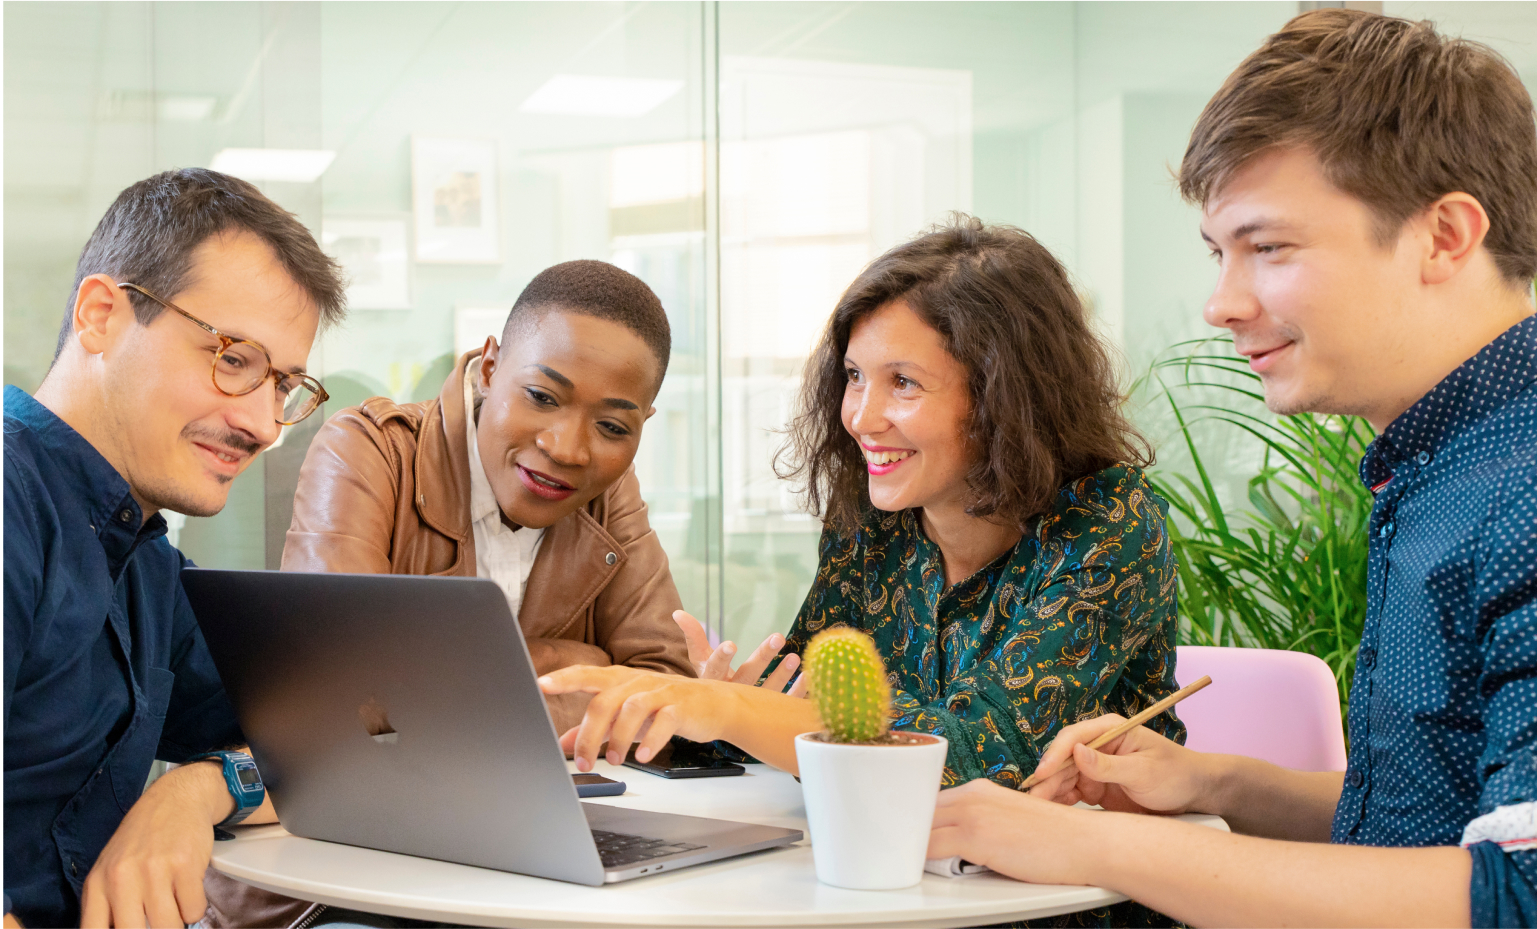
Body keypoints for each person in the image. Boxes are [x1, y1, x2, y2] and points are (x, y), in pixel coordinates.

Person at [926, 10, 1537, 928]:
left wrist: (1089, 845)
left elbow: (1519, 893)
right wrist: (1210, 782)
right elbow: (1442, 827)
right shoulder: (1439, 466)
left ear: (1444, 236)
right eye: (1220, 253)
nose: (1222, 302)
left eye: (1269, 246)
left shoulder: (1519, 488)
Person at [542, 218, 1186, 789]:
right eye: (854, 377)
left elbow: (980, 757)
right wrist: (711, 710)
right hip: (895, 876)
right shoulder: (874, 522)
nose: (860, 417)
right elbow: (796, 706)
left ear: (1006, 397)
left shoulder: (1110, 523)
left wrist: (744, 713)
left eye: (903, 383)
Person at [3, 169, 347, 929]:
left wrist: (195, 790)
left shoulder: (142, 559)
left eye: (284, 384)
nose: (262, 424)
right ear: (101, 315)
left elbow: (321, 741)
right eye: (233, 359)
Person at [283, 259, 694, 735]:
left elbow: (669, 695)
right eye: (542, 396)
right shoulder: (371, 450)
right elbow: (331, 692)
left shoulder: (610, 492)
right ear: (491, 368)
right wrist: (576, 665)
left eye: (612, 426)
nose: (566, 449)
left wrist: (445, 677)